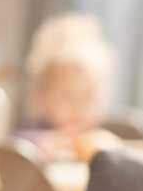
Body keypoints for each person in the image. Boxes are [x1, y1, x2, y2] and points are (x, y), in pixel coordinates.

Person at [16, 12, 124, 162]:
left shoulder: (98, 140)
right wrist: (43, 148)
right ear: (42, 95)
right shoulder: (32, 138)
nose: (78, 107)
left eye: (88, 97)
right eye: (68, 96)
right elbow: (15, 149)